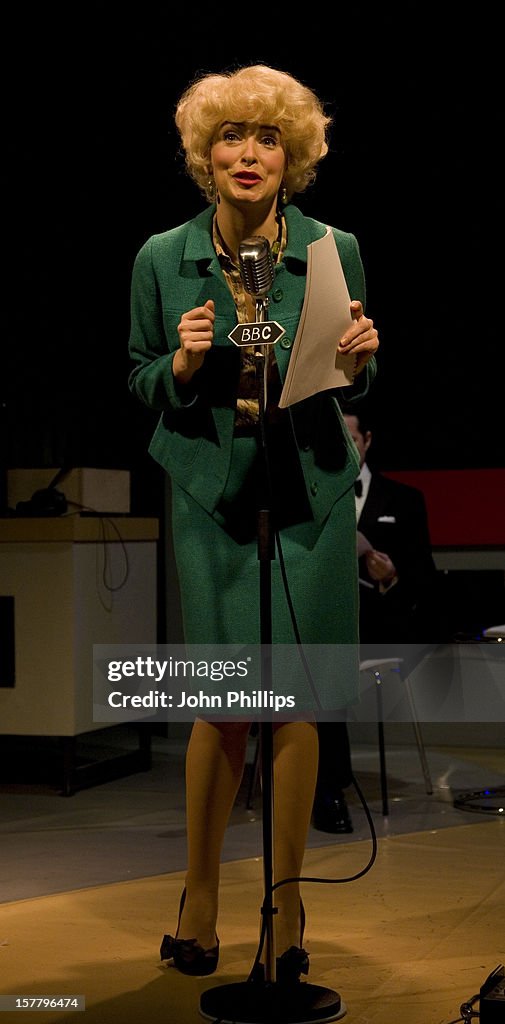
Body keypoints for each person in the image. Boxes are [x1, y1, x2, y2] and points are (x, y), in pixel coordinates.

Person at [128, 63, 378, 983]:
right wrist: (183, 368)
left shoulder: (333, 245)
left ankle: (287, 899)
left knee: (297, 696)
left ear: (293, 155)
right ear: (205, 153)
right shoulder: (161, 254)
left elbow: (357, 371)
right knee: (225, 700)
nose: (248, 153)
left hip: (305, 485)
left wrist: (363, 356)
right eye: (230, 135)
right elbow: (138, 376)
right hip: (210, 492)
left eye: (267, 137)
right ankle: (199, 894)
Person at [313, 406, 438, 833]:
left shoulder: (404, 500)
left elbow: (425, 576)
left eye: (352, 437)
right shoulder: (312, 500)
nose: (346, 445)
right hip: (324, 626)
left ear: (367, 441)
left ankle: (328, 788)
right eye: (337, 438)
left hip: (380, 625)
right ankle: (317, 782)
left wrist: (392, 575)